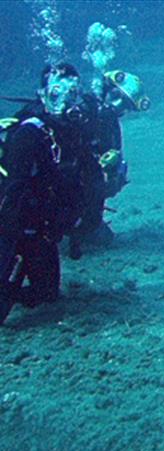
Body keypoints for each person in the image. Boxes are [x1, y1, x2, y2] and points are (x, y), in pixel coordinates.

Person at [0, 64, 94, 323]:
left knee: (47, 294)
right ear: (42, 95)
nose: (64, 102)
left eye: (71, 94)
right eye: (56, 94)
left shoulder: (75, 133)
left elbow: (83, 180)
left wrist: (70, 220)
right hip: (14, 227)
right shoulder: (29, 133)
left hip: (42, 230)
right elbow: (12, 192)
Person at [67, 69, 149, 256]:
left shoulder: (110, 127)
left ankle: (81, 224)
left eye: (125, 105)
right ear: (106, 88)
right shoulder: (77, 111)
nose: (118, 105)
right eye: (116, 96)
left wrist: (113, 175)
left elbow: (114, 171)